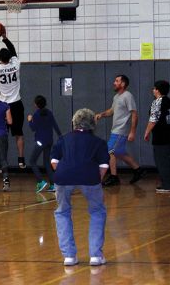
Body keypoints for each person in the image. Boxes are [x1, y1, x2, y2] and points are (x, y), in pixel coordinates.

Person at [51, 108, 109, 267]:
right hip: (89, 177)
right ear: (93, 124)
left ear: (74, 123)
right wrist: (96, 179)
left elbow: (54, 161)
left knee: (62, 212)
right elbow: (104, 165)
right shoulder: (98, 142)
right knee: (97, 211)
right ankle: (95, 255)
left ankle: (69, 256)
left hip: (63, 177)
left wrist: (66, 173)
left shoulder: (63, 139)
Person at [0, 27, 26, 169]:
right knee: (19, 133)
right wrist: (4, 37)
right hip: (16, 104)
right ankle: (21, 160)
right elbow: (13, 50)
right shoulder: (16, 65)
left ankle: (2, 164)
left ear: (0, 59)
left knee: (2, 135)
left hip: (2, 105)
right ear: (10, 58)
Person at [96, 74, 146, 186]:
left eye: (116, 81)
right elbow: (111, 111)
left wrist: (132, 131)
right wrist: (102, 114)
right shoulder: (117, 97)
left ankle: (114, 177)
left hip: (121, 130)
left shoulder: (128, 96)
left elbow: (134, 114)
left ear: (123, 84)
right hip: (116, 130)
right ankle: (138, 170)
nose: (114, 83)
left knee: (110, 152)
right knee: (120, 153)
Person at [27, 95, 62, 193]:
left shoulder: (36, 115)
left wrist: (30, 121)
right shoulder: (49, 113)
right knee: (46, 162)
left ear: (36, 105)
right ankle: (53, 184)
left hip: (40, 142)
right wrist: (60, 136)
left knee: (32, 161)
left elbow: (33, 128)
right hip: (49, 141)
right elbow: (55, 125)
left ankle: (40, 181)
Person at [144, 80, 170, 193]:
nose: (153, 90)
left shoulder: (157, 102)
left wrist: (146, 132)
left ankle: (168, 185)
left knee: (162, 161)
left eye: (154, 88)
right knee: (167, 160)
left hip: (161, 137)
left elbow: (153, 119)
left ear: (158, 90)